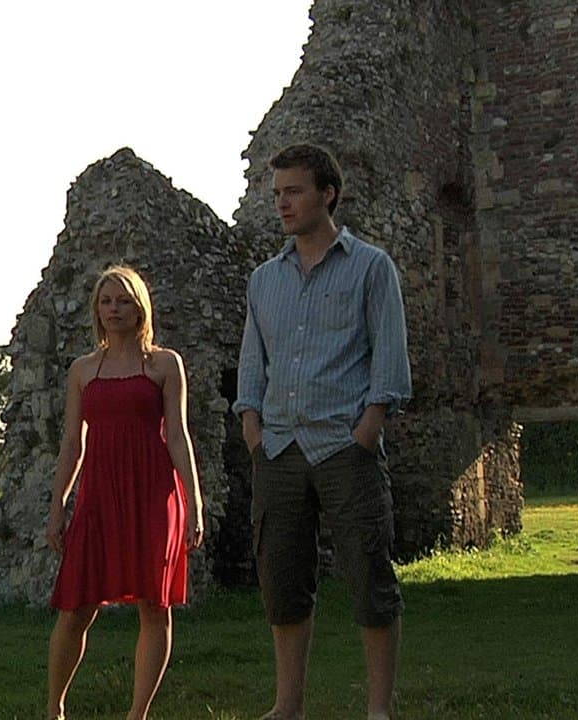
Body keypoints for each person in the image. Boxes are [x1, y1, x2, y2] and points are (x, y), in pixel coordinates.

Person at [234, 143, 412, 720]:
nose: (282, 204)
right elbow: (252, 361)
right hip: (278, 449)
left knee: (369, 577)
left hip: (344, 447)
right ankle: (288, 707)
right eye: (277, 193)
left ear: (327, 194)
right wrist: (253, 429)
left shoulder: (371, 267)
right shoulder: (264, 280)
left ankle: (378, 711)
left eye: (294, 191)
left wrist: (368, 430)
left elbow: (390, 356)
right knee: (282, 583)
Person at [44, 265, 206, 720]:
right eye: (106, 301)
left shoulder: (164, 364)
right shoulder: (82, 371)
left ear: (140, 309)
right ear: (96, 309)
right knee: (76, 606)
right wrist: (57, 506)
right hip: (99, 497)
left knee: (156, 606)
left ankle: (138, 714)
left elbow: (179, 436)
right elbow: (71, 445)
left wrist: (195, 503)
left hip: (155, 496)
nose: (114, 309)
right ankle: (54, 709)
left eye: (123, 301)